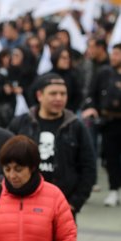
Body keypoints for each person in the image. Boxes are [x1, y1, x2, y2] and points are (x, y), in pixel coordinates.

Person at [8, 73, 96, 218]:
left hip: (62, 207)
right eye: (53, 93)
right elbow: (5, 160)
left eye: (63, 94)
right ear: (39, 95)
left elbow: (89, 168)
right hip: (23, 203)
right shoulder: (21, 123)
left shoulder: (76, 126)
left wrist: (74, 203)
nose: (59, 98)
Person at [0, 135, 77, 241]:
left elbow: (67, 236)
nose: (12, 175)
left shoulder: (54, 195)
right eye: (7, 169)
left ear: (32, 167)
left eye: (18, 169)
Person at [82, 43, 121, 207]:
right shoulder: (104, 72)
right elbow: (92, 93)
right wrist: (91, 108)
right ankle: (113, 189)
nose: (113, 57)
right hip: (109, 121)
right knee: (109, 157)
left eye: (117, 54)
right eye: (113, 53)